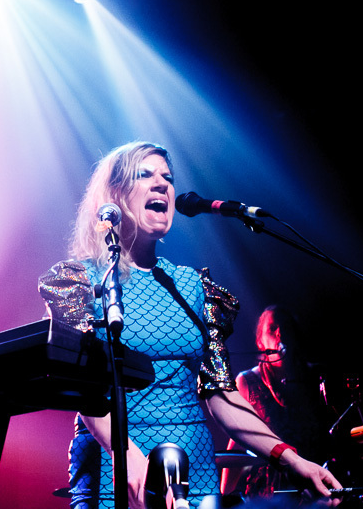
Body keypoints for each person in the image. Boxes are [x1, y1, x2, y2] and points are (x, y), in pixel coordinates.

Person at [39, 142, 341, 509]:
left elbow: (221, 394)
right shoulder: (80, 281)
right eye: (144, 175)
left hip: (193, 467)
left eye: (168, 178)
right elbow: (84, 390)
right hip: (115, 466)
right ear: (114, 195)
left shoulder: (193, 286)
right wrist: (126, 455)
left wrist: (290, 458)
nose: (162, 184)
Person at [221, 306, 330, 499]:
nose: (279, 332)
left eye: (285, 326)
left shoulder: (315, 377)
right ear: (260, 341)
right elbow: (238, 439)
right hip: (267, 492)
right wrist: (224, 495)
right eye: (272, 328)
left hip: (315, 486)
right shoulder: (248, 381)